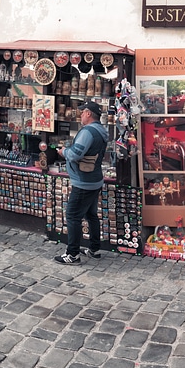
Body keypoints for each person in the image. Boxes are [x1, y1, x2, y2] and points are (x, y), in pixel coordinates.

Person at [55, 100, 108, 264]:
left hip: (83, 182)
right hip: (95, 180)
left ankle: (72, 254)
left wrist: (63, 151)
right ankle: (94, 249)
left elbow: (75, 154)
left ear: (88, 113)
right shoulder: (101, 130)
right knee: (91, 215)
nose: (80, 115)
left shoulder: (88, 132)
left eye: (82, 112)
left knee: (72, 216)